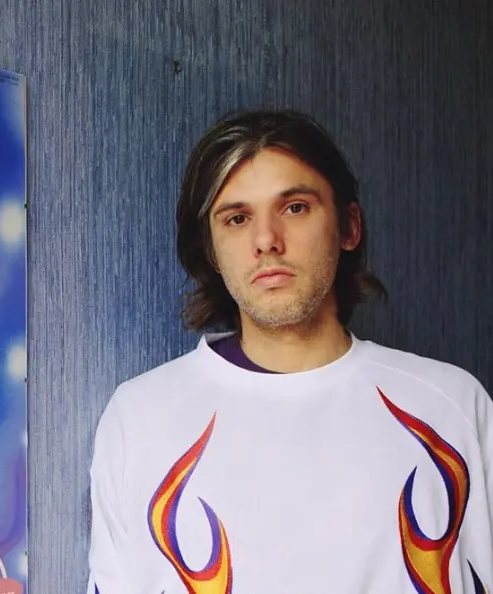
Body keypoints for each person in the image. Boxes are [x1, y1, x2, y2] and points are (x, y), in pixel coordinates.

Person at [86, 109, 493, 593]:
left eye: (295, 207)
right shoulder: (139, 417)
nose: (266, 240)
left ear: (349, 226)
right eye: (237, 218)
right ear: (212, 251)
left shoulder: (451, 406)